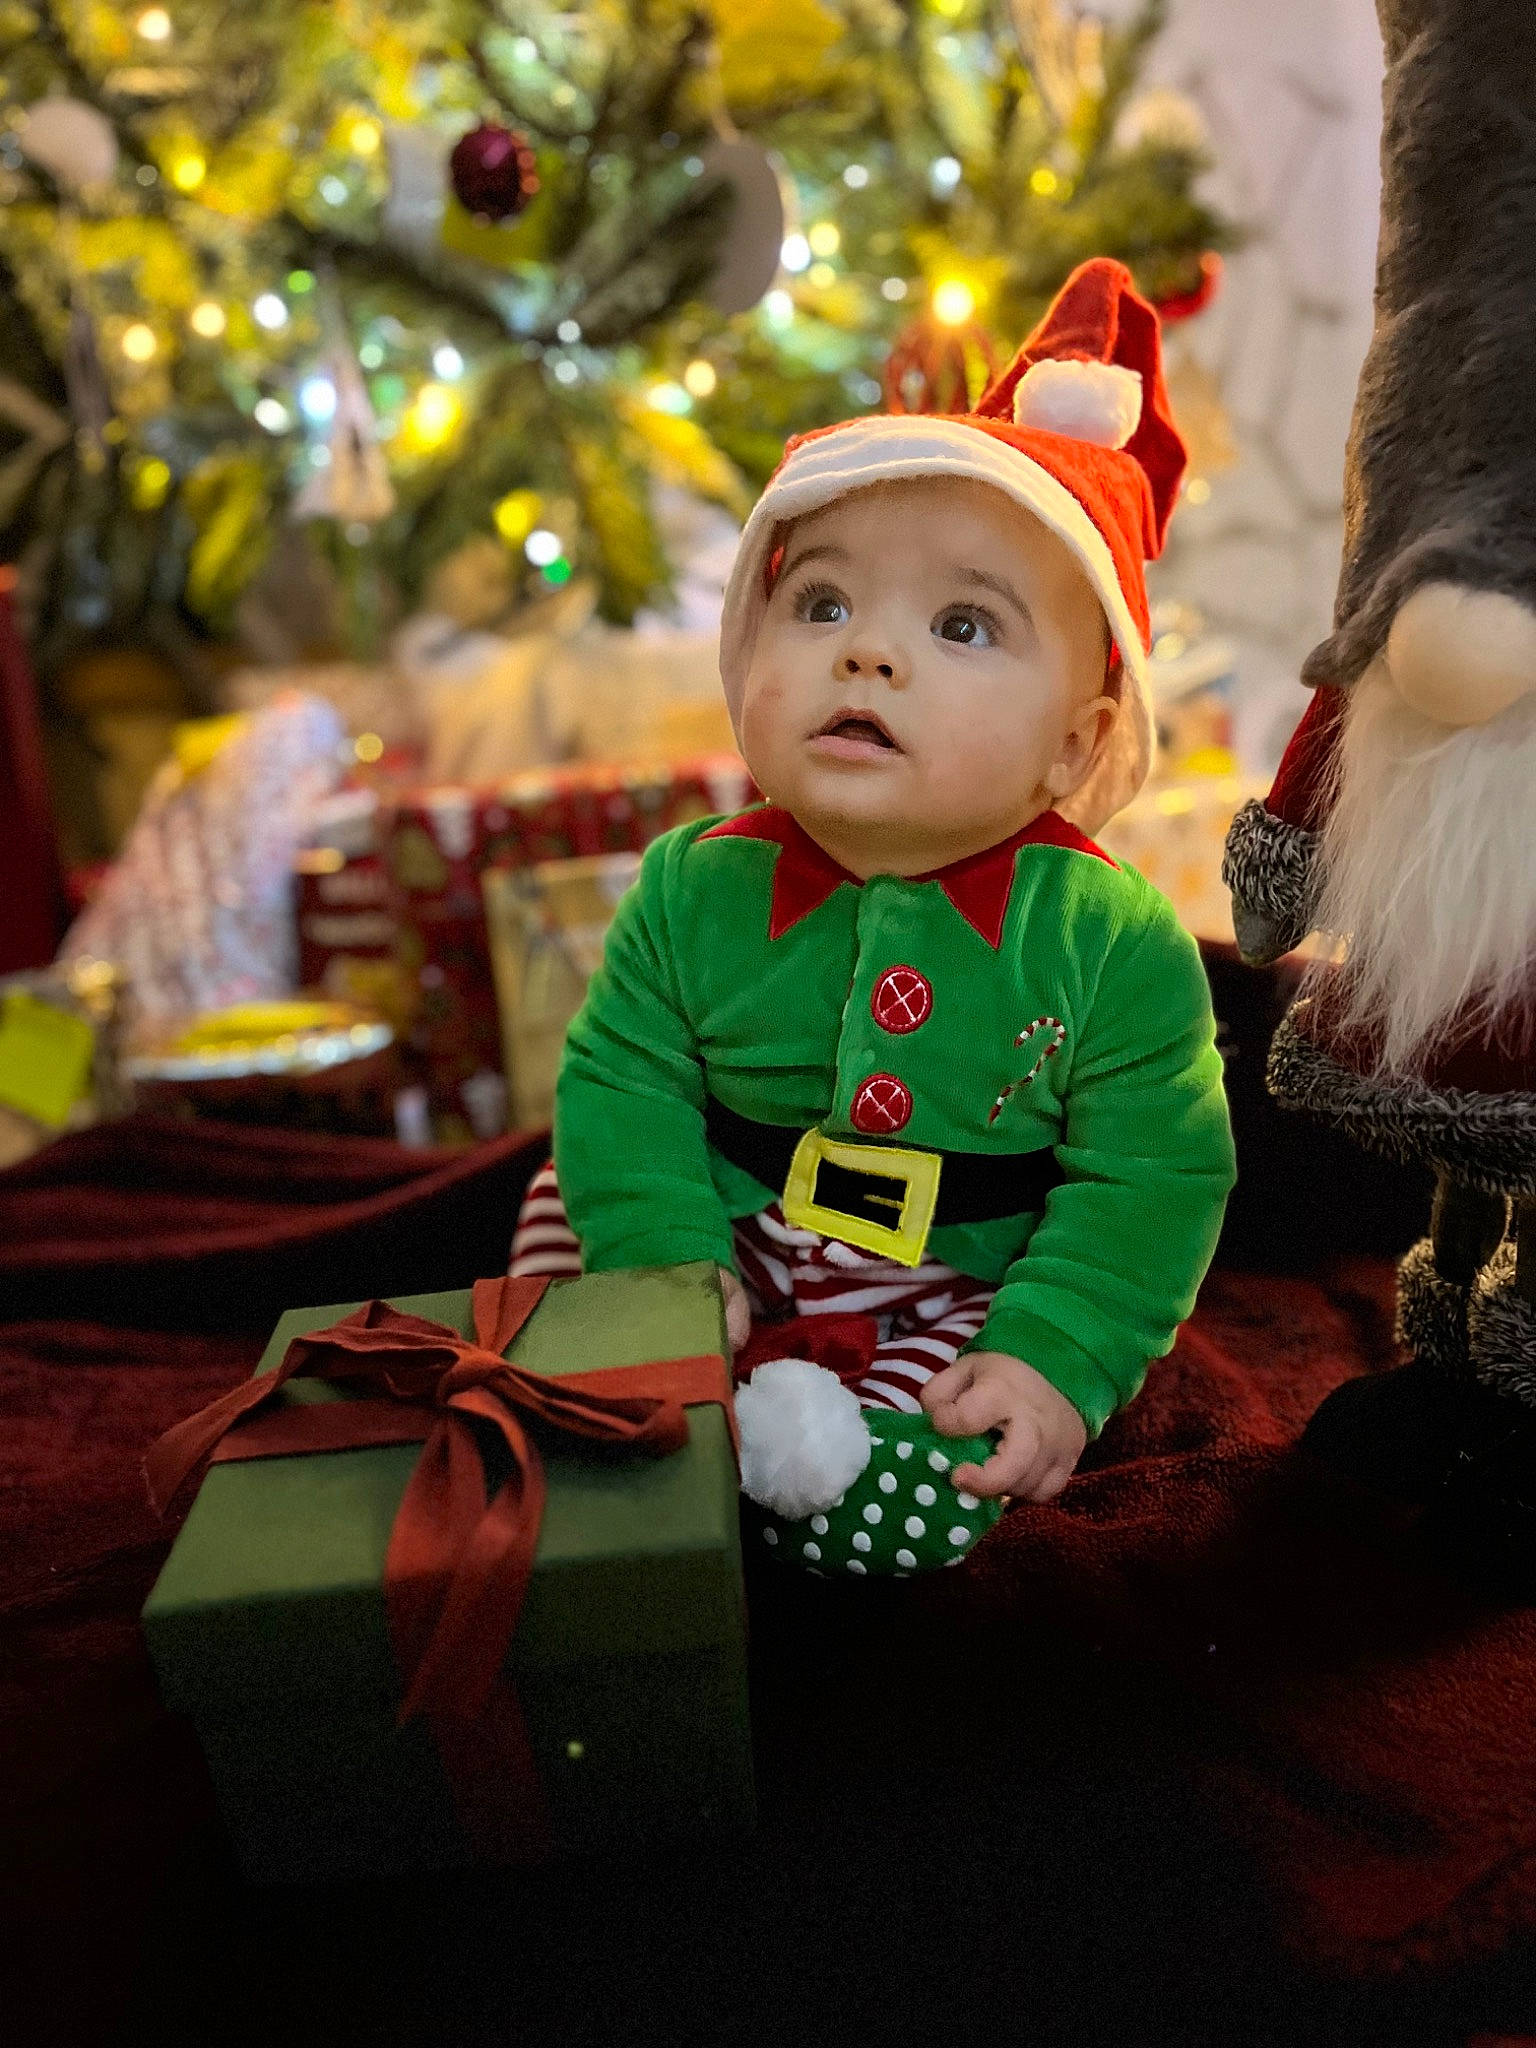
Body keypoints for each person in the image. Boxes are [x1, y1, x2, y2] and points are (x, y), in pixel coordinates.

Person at [511, 258, 1236, 1575]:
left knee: (958, 1436)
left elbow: (1151, 1180)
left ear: (1076, 745)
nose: (868, 652)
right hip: (720, 1218)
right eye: (823, 604)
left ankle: (854, 1481)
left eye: (963, 624)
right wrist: (666, 1259)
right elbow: (624, 1078)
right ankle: (641, 1405)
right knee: (566, 1207)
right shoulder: (692, 885)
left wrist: (1054, 1355)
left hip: (959, 1269)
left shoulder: (1113, 943)